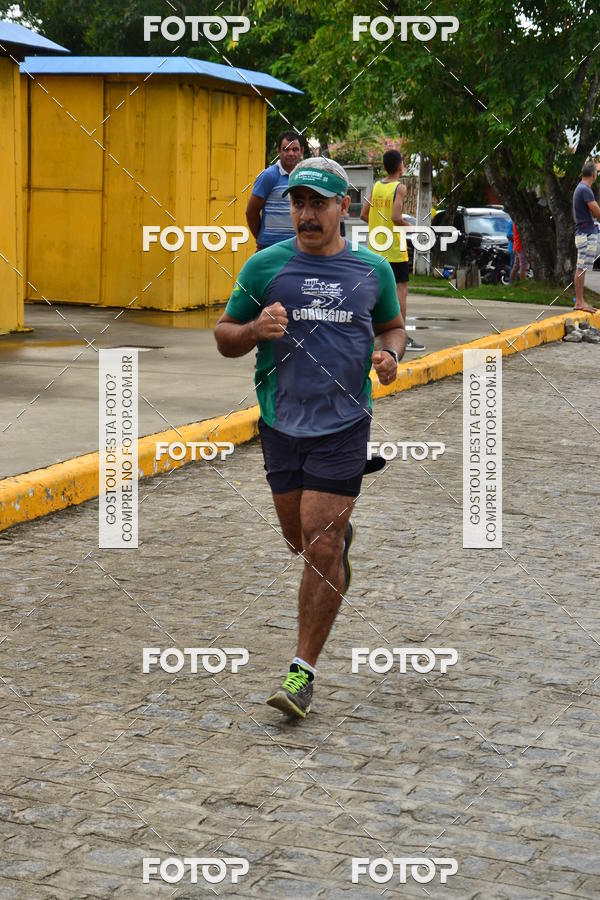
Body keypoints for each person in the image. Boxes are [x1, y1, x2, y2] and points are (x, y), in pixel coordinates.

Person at [214, 157, 406, 719]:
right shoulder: (264, 268)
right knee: (302, 542)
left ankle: (301, 673)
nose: (306, 214)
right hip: (281, 422)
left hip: (345, 425)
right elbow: (225, 337)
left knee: (320, 546)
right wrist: (254, 330)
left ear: (343, 207)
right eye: (298, 203)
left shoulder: (373, 271)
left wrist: (389, 354)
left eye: (319, 203)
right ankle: (337, 545)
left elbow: (392, 326)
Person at [360, 150, 425, 352]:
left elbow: (364, 214)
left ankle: (373, 334)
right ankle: (401, 335)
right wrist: (412, 228)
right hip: (395, 251)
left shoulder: (377, 186)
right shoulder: (400, 188)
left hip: (375, 250)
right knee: (400, 293)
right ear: (400, 166)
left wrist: (379, 227)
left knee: (377, 293)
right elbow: (396, 216)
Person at [245, 131, 305, 251]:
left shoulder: (305, 177)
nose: (291, 153)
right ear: (278, 151)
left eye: (295, 149)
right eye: (286, 149)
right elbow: (251, 212)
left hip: (299, 249)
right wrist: (261, 238)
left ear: (302, 151)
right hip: (269, 249)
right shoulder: (268, 176)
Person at [573, 160, 600, 313]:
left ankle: (580, 301)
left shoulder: (581, 188)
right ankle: (580, 302)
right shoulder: (585, 189)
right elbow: (596, 211)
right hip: (586, 232)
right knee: (581, 267)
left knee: (581, 267)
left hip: (584, 232)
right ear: (593, 174)